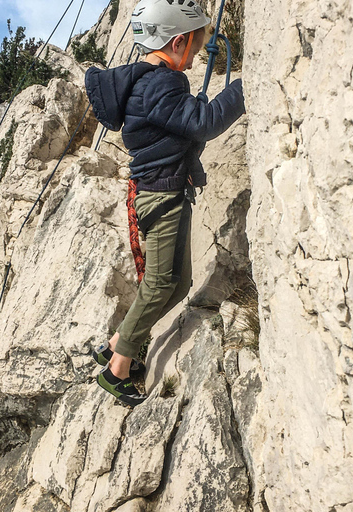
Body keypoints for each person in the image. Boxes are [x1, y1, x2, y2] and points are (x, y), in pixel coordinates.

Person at [84, 0, 246, 406]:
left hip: (162, 192)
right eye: (193, 46)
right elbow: (203, 123)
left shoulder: (152, 82)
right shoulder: (160, 84)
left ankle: (117, 343)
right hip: (162, 196)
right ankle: (117, 370)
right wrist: (246, 87)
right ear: (177, 42)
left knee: (177, 284)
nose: (195, 57)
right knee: (160, 286)